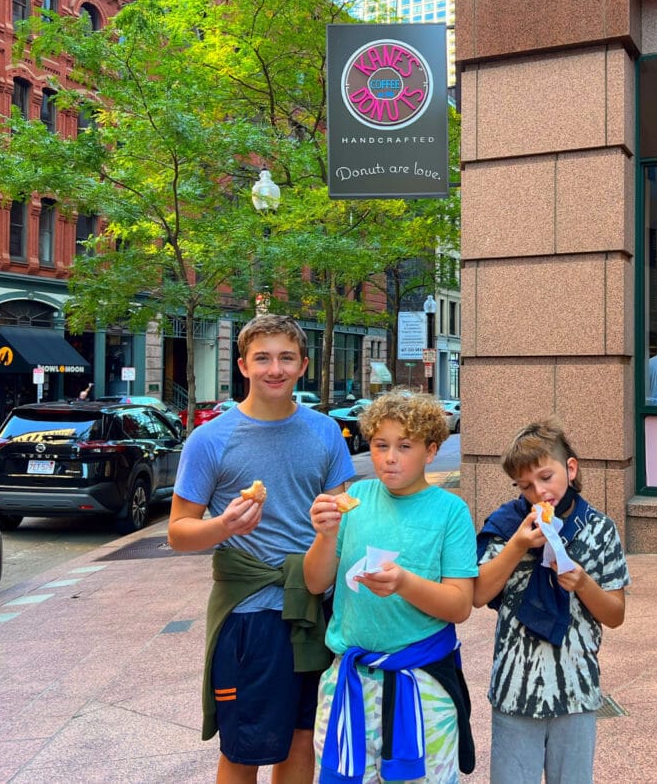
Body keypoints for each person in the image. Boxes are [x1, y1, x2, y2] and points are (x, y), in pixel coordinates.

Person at [167, 314, 355, 784]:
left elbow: (344, 516)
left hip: (314, 609)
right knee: (245, 747)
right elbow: (177, 531)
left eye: (286, 358)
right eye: (263, 358)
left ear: (303, 365)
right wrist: (222, 526)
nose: (276, 368)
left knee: (300, 737)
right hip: (249, 616)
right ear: (243, 365)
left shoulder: (325, 432)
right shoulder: (211, 439)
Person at [304, 392, 477, 784]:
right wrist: (325, 535)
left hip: (422, 684)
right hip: (348, 679)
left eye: (405, 446)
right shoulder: (354, 499)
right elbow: (315, 582)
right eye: (381, 446)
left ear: (431, 451)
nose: (390, 458)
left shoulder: (451, 512)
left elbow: (460, 605)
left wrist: (404, 582)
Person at [474, 418, 630, 784]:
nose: (539, 492)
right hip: (515, 688)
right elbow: (479, 594)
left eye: (546, 477)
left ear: (570, 469)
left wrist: (583, 583)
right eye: (526, 486)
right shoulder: (505, 525)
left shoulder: (599, 528)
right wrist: (518, 545)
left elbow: (615, 614)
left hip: (576, 687)